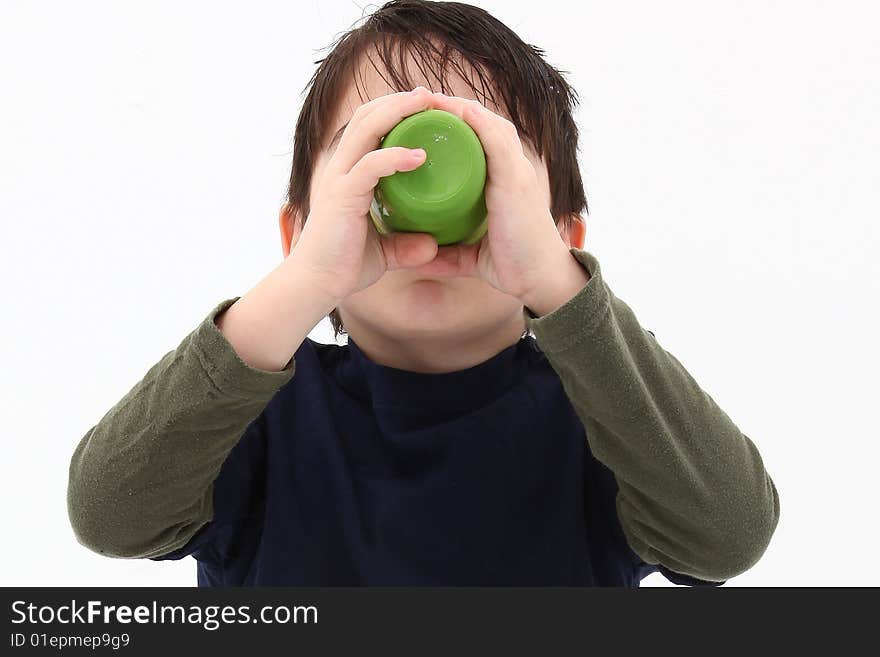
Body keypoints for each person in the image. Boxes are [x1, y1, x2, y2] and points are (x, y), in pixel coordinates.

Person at [67, 0, 779, 586]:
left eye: (491, 155)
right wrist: (306, 285)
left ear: (562, 240)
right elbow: (110, 513)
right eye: (374, 147)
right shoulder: (252, 416)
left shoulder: (607, 420)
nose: (421, 167)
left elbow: (727, 535)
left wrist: (556, 288)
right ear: (299, 236)